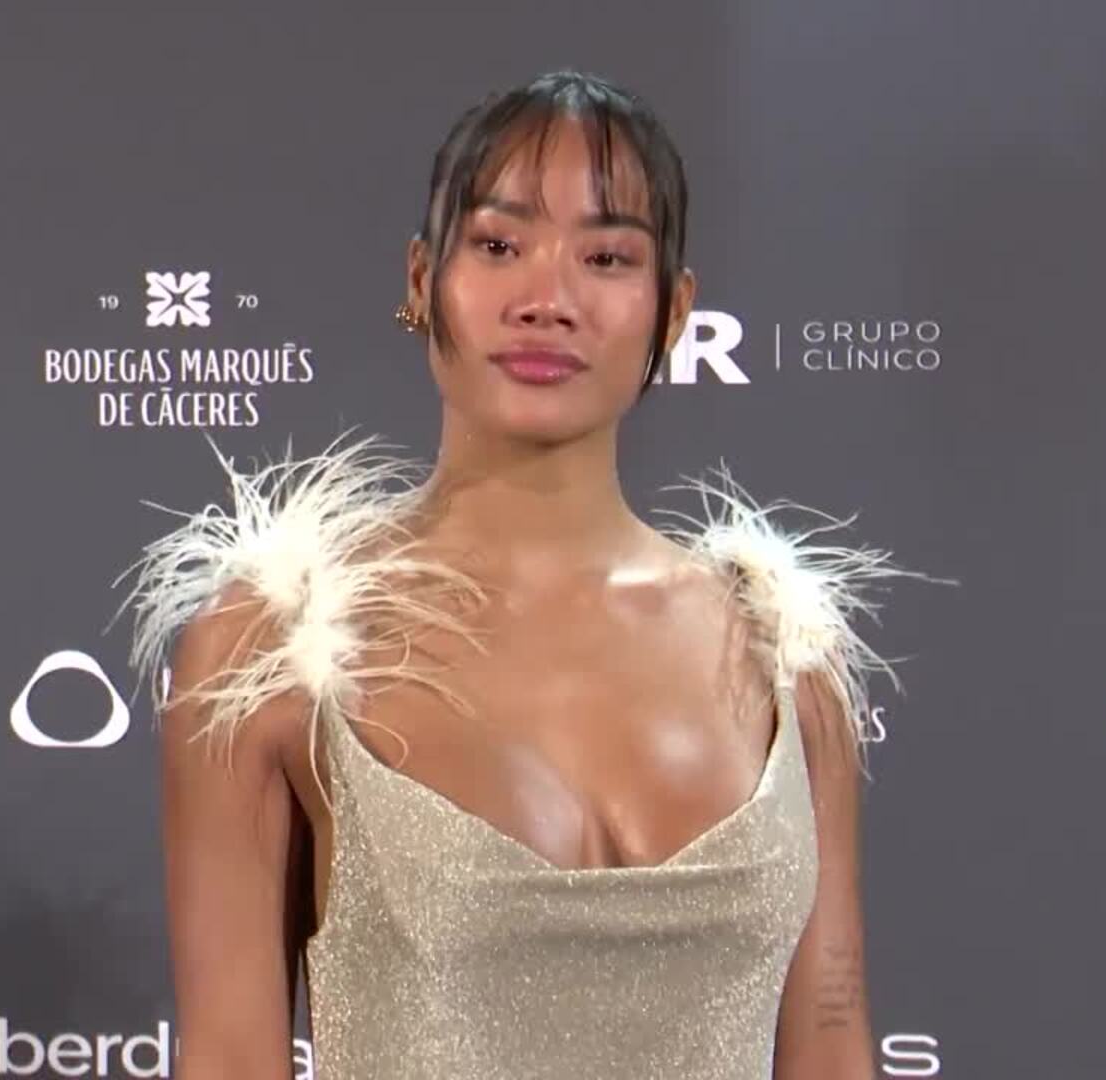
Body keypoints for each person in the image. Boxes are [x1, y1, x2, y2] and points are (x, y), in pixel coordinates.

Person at [117, 68, 925, 1080]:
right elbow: (231, 1059)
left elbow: (832, 1042)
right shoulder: (271, 649)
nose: (548, 300)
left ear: (675, 310)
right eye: (499, 246)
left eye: (606, 256)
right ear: (422, 282)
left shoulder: (785, 661)